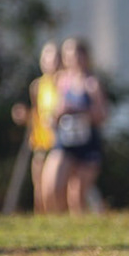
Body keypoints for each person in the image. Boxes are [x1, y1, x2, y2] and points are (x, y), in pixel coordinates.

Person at [43, 37, 110, 216]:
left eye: (78, 55)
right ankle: (59, 227)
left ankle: (83, 233)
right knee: (52, 188)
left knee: (78, 195)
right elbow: (54, 110)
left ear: (86, 57)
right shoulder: (60, 81)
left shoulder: (92, 83)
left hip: (87, 143)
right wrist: (55, 116)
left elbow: (103, 115)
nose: (74, 60)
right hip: (65, 142)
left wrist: (79, 110)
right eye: (70, 55)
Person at [11, 41, 61, 214]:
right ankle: (43, 225)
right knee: (39, 190)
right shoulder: (37, 86)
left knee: (51, 189)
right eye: (46, 56)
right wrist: (24, 116)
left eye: (54, 57)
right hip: (40, 141)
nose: (49, 61)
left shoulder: (64, 83)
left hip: (59, 143)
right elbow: (36, 114)